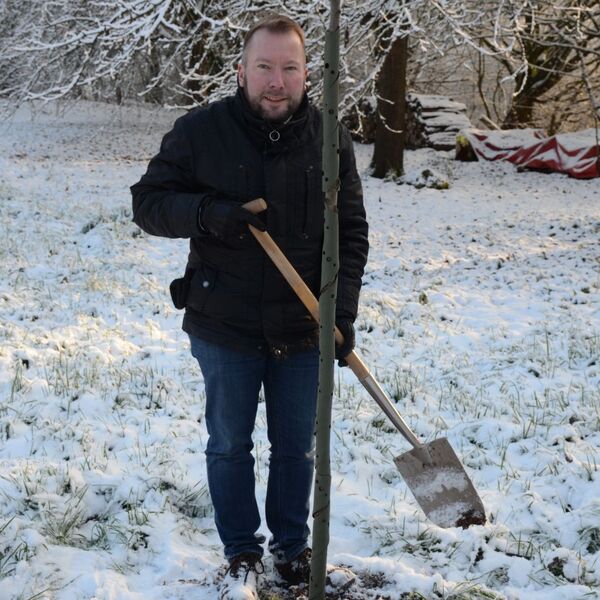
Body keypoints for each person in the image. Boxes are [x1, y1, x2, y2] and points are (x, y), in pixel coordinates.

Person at [131, 14, 368, 599]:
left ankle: (292, 550)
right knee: (229, 443)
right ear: (242, 70)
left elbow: (353, 231)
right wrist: (208, 213)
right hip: (223, 323)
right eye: (264, 67)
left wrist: (341, 315)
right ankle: (242, 554)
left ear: (307, 73)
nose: (276, 81)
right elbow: (148, 203)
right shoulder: (200, 131)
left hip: (301, 325)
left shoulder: (329, 138)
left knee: (296, 446)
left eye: (289, 68)